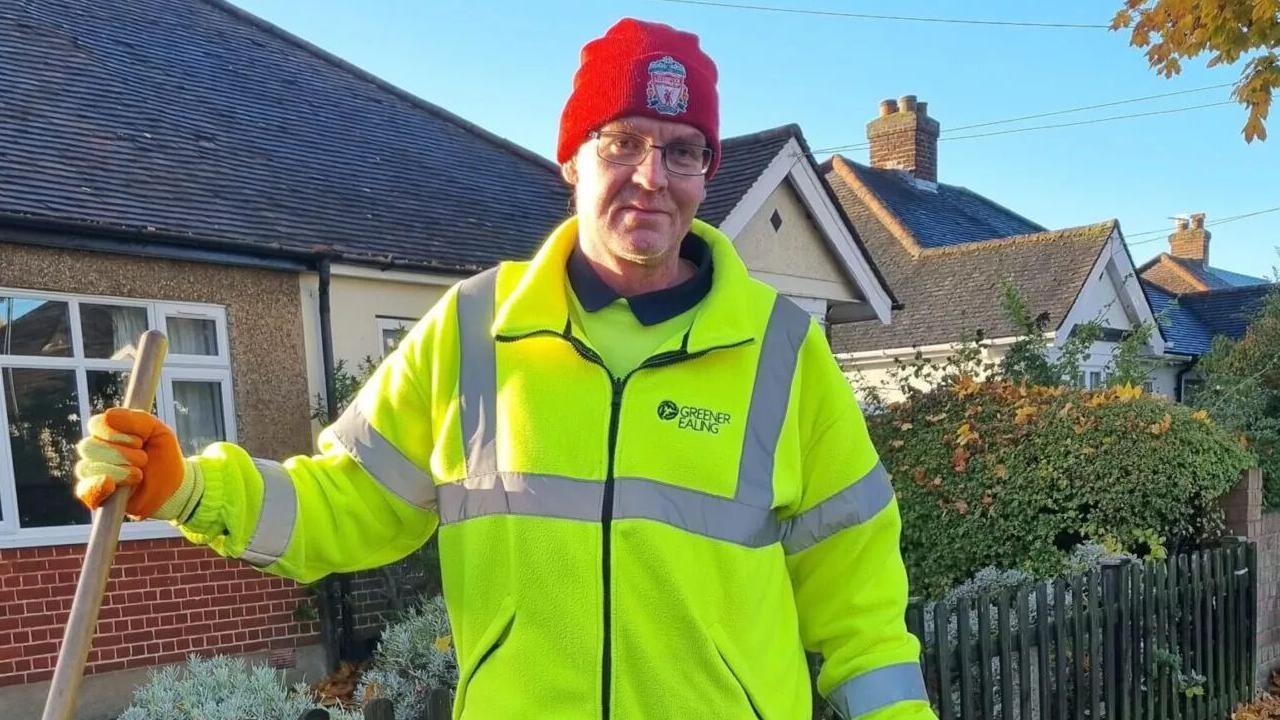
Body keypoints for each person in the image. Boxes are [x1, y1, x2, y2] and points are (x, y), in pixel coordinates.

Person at [74, 18, 933, 720]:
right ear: (571, 159)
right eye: (622, 141)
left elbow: (859, 605)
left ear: (708, 171)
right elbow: (345, 501)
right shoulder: (475, 328)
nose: (651, 177)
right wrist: (190, 486)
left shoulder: (784, 352)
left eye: (682, 151)